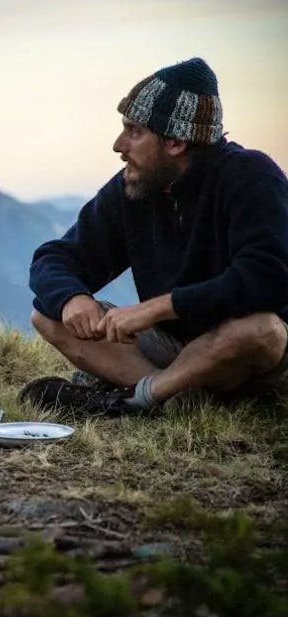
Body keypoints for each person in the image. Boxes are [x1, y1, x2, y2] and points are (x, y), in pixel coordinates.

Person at [22, 57, 288, 416]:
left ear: (176, 141)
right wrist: (72, 298)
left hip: (241, 356)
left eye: (134, 132)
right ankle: (165, 399)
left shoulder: (251, 176)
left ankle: (135, 398)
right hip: (171, 351)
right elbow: (53, 258)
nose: (119, 145)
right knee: (48, 313)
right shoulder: (134, 190)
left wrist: (159, 308)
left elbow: (267, 278)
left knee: (262, 330)